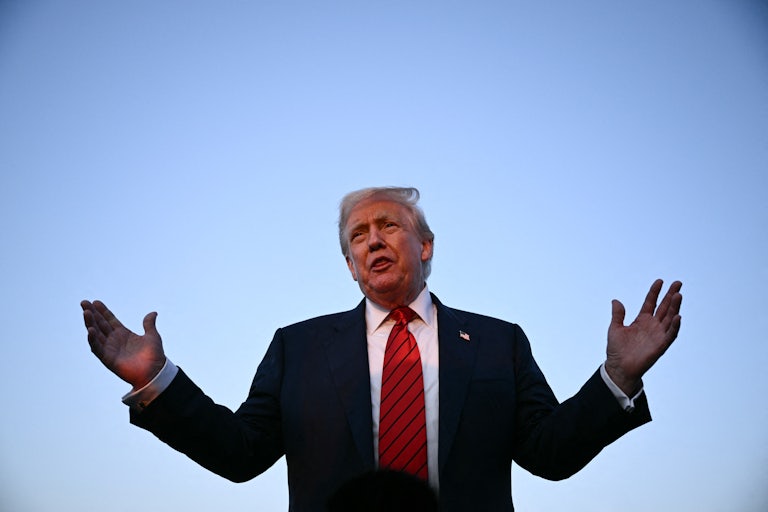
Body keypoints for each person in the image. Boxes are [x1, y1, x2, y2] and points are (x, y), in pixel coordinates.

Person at [81, 186, 683, 512]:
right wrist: (157, 381)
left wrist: (616, 379)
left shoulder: (498, 342)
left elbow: (550, 453)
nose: (373, 240)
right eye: (358, 236)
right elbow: (240, 453)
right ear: (350, 265)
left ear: (425, 246)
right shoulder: (297, 348)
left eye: (389, 226)